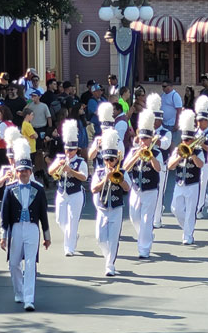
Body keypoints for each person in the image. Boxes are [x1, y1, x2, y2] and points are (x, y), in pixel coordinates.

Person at [0, 138, 51, 311]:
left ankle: (29, 298)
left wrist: (47, 236)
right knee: (14, 264)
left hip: (32, 228)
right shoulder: (10, 188)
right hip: (16, 228)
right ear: (17, 171)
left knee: (30, 263)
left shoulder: (39, 188)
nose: (23, 173)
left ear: (30, 171)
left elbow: (44, 214)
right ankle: (19, 291)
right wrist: (3, 235)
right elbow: (4, 215)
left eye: (26, 170)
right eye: (21, 170)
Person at [123, 109, 164, 259]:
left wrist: (151, 156)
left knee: (147, 219)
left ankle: (144, 249)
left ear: (151, 139)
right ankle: (146, 235)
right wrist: (135, 156)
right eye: (141, 138)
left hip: (151, 190)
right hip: (136, 188)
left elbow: (159, 168)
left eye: (146, 139)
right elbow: (125, 168)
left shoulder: (157, 153)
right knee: (134, 217)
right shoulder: (134, 150)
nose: (143, 141)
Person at [91, 128, 129, 276]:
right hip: (102, 208)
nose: (108, 162)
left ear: (117, 160)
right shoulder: (99, 172)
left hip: (116, 208)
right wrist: (105, 179)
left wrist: (118, 179)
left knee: (113, 239)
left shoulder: (122, 172)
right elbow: (94, 189)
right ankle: (108, 258)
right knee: (100, 238)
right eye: (106, 159)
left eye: (111, 160)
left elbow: (127, 188)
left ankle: (110, 265)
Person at [48, 119, 88, 256]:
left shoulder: (80, 161)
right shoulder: (60, 158)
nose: (68, 152)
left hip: (75, 193)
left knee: (72, 221)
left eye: (71, 150)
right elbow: (50, 172)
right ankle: (72, 236)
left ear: (76, 149)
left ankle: (69, 248)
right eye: (67, 149)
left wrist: (70, 170)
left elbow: (84, 177)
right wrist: (59, 165)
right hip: (61, 192)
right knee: (60, 220)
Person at [168, 109, 205, 245]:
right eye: (184, 140)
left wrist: (192, 155)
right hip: (179, 183)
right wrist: (179, 157)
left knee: (190, 211)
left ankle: (188, 235)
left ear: (193, 140)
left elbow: (201, 165)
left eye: (189, 140)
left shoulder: (198, 150)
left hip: (193, 184)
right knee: (175, 209)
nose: (186, 142)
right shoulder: (178, 150)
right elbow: (170, 166)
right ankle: (187, 228)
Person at [146, 93, 172, 229]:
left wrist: (156, 140)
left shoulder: (166, 132)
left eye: (154, 120)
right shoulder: (146, 132)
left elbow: (166, 145)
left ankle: (157, 219)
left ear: (159, 120)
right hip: (147, 165)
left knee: (159, 190)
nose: (152, 122)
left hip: (161, 165)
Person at [194, 96, 208, 219]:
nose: (199, 122)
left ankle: (199, 209)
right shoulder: (194, 132)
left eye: (201, 120)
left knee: (202, 185)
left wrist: (202, 144)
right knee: (195, 185)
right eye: (198, 120)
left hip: (206, 163)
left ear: (206, 121)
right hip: (195, 162)